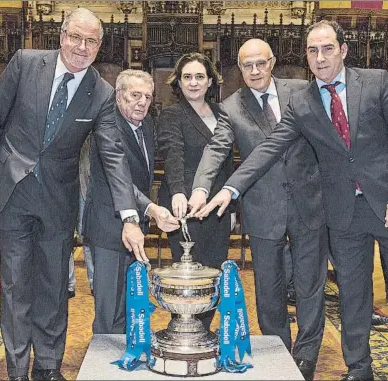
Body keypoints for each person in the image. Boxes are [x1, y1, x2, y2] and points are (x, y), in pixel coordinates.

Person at [194, 20, 388, 381]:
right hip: (340, 213)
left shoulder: (376, 81)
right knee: (353, 294)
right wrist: (229, 189)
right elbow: (268, 149)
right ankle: (359, 368)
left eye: (327, 49)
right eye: (312, 50)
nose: (320, 57)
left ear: (343, 49)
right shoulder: (304, 101)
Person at [0, 8, 149, 381]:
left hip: (59, 202)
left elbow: (113, 157)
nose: (81, 47)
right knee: (14, 286)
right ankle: (15, 370)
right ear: (61, 36)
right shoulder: (26, 63)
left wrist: (129, 215)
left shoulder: (102, 93)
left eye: (91, 41)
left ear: (100, 46)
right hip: (12, 193)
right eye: (76, 37)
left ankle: (47, 366)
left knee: (55, 287)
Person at [188, 39, 328, 380]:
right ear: (240, 68)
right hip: (263, 208)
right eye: (247, 65)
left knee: (311, 286)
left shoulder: (301, 90)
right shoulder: (231, 106)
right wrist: (201, 187)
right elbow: (217, 148)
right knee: (269, 289)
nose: (254, 71)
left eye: (260, 64)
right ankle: (279, 351)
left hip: (309, 203)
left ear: (273, 62)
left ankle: (307, 355)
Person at [83, 69, 179, 334]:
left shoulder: (146, 124)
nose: (142, 103)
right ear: (119, 96)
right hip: (109, 226)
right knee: (108, 308)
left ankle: (125, 355)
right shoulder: (108, 125)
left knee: (129, 302)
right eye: (135, 95)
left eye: (147, 97)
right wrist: (151, 208)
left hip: (135, 228)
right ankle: (102, 366)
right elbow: (120, 178)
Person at [156, 52, 234, 330]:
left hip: (218, 208)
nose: (193, 82)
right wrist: (178, 192)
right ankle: (185, 330)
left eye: (199, 76)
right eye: (187, 77)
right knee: (189, 276)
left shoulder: (223, 112)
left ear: (210, 80)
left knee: (214, 275)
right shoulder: (171, 114)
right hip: (185, 207)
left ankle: (203, 332)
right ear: (178, 81)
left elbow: (226, 164)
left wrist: (233, 207)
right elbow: (172, 154)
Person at [68, 136, 94, 299]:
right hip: (63, 189)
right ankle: (68, 284)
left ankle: (95, 282)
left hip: (87, 187)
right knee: (64, 237)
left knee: (88, 237)